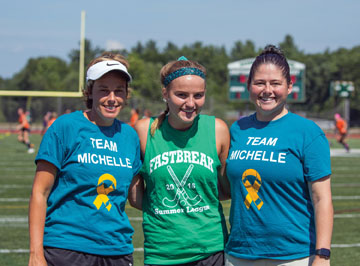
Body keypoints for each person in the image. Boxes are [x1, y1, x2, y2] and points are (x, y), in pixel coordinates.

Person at [28, 52, 142, 266]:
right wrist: (35, 254)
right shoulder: (65, 127)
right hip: (67, 248)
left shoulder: (129, 136)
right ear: (89, 91)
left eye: (119, 91)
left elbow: (135, 196)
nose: (112, 98)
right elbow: (39, 192)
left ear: (126, 95)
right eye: (103, 90)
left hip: (117, 249)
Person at [225, 45, 333, 266]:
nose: (267, 90)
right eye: (259, 83)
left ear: (289, 86)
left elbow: (322, 199)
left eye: (275, 83)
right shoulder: (236, 130)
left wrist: (322, 255)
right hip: (239, 255)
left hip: (293, 256)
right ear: (248, 86)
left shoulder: (307, 132)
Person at [129, 56, 230, 266]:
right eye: (181, 95)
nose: (191, 103)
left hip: (211, 250)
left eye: (198, 95)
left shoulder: (217, 130)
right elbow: (136, 197)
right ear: (165, 93)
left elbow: (225, 189)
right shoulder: (144, 132)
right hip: (162, 252)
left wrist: (197, 201)